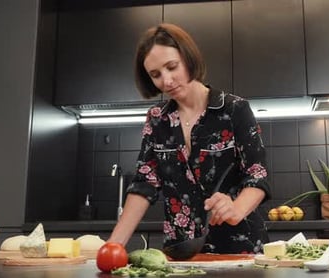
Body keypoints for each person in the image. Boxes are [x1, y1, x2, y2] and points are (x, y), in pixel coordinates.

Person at [108, 23, 271, 255]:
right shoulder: (157, 119)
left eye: (172, 67)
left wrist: (236, 208)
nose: (166, 81)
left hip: (239, 247)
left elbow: (257, 175)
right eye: (156, 75)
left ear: (188, 58)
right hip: (180, 249)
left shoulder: (234, 109)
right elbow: (144, 184)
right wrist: (113, 247)